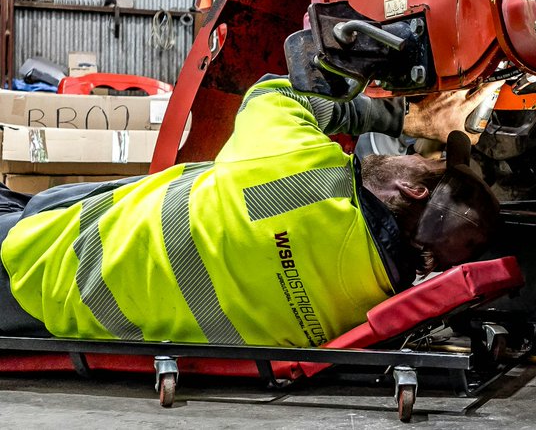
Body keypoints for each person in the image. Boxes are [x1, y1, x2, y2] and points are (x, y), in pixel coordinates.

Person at [0, 76, 500, 348]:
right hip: (72, 322)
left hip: (38, 253)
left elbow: (272, 91)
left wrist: (409, 115)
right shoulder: (354, 310)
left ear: (413, 190)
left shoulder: (303, 174)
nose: (415, 151)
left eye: (426, 158)